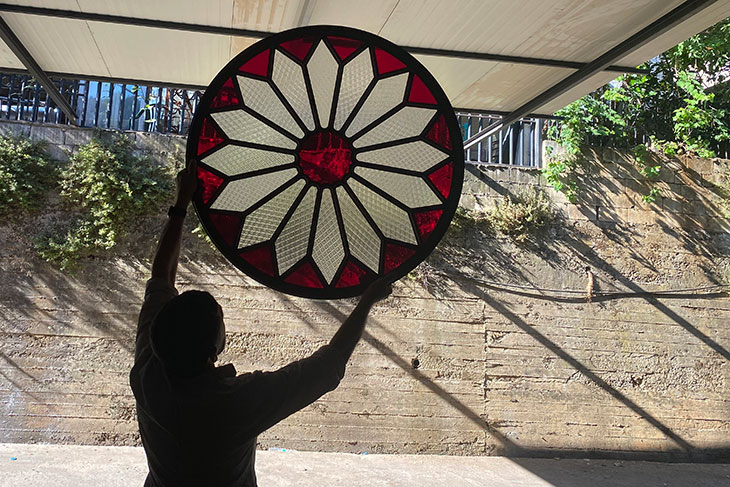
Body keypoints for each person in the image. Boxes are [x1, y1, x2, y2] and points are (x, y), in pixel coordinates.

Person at [130, 161, 392, 486]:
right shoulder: (232, 406)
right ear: (215, 347)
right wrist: (368, 300)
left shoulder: (149, 374)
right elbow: (328, 368)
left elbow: (161, 277)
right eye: (220, 318)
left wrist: (181, 204)